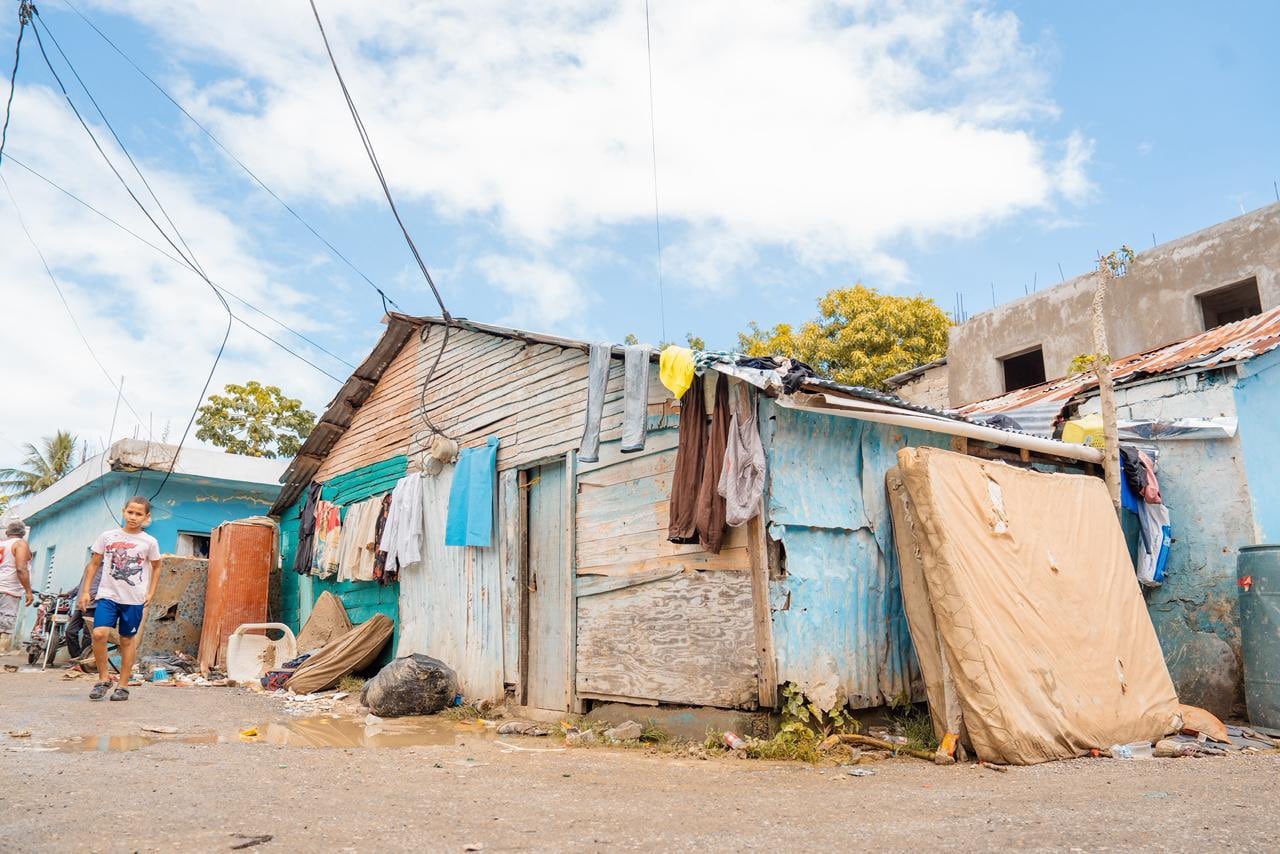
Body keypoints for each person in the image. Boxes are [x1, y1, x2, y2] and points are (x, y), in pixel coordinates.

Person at [78, 497, 160, 701]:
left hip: (133, 599)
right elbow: (94, 563)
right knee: (99, 634)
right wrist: (86, 591)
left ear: (146, 517)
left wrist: (150, 593)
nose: (133, 517)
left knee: (126, 639)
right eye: (130, 512)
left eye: (138, 514)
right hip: (108, 595)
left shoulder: (149, 542)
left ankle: (123, 685)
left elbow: (157, 566)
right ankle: (103, 679)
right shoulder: (108, 536)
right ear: (124, 511)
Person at [0, 520, 34, 650]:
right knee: (5, 628)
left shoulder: (2, 544)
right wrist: (28, 591)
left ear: (8, 532)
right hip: (8, 590)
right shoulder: (19, 544)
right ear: (23, 533)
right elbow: (21, 568)